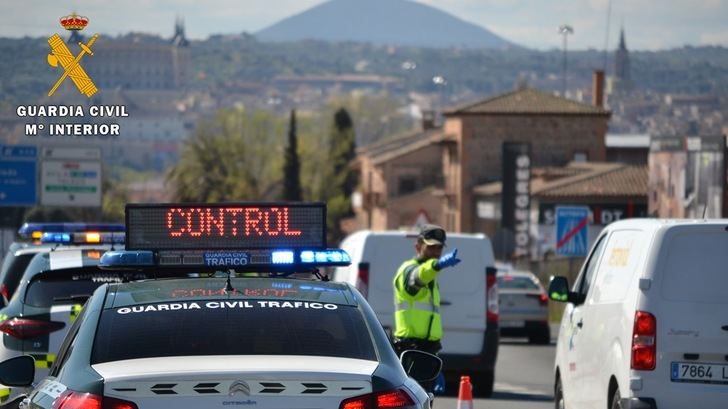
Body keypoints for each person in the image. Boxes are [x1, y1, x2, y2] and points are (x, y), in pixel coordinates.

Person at [392, 224, 461, 391]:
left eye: (438, 248)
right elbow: (416, 279)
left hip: (427, 350)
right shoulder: (408, 270)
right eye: (431, 247)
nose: (436, 252)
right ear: (418, 246)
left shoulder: (431, 277)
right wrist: (436, 266)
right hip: (411, 350)